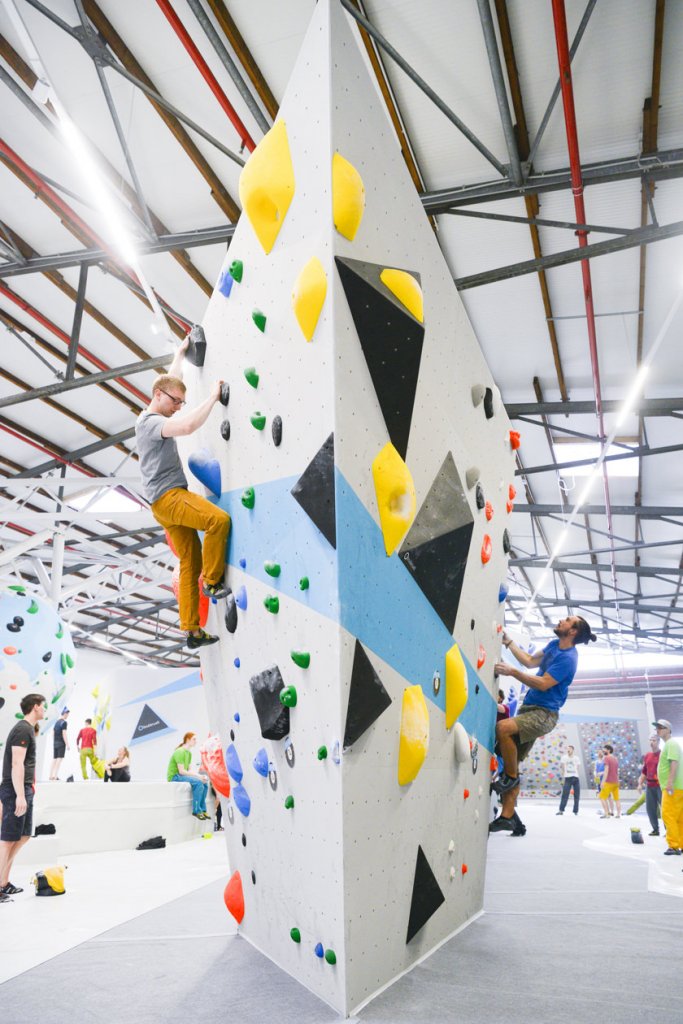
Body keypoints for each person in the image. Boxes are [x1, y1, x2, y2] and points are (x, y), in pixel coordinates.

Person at [135, 339, 231, 651]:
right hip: (169, 498)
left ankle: (191, 630)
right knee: (218, 521)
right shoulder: (151, 422)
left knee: (190, 559)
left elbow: (169, 382)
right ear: (158, 397)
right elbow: (188, 426)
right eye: (175, 401)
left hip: (161, 503)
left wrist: (178, 356)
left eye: (181, 402)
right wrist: (214, 398)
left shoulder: (157, 402)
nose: (178, 406)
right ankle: (214, 583)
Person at [490, 615, 596, 834]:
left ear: (573, 631)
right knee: (511, 760)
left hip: (544, 714)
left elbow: (543, 683)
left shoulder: (568, 659)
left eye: (566, 620)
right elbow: (529, 661)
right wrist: (509, 643)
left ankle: (510, 779)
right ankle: (509, 818)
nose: (560, 620)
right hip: (529, 708)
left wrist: (512, 672)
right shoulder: (553, 645)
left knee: (503, 730)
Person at [0, 692, 46, 901]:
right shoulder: (22, 729)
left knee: (24, 836)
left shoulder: (28, 730)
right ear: (35, 706)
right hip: (15, 790)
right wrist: (19, 795)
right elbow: (16, 764)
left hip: (25, 789)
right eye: (43, 706)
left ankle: (3, 882)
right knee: (8, 839)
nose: (44, 709)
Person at [653, 719, 683, 856]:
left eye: (660, 727)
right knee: (678, 817)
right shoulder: (671, 744)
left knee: (668, 815)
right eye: (657, 727)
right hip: (678, 787)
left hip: (672, 787)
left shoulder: (671, 744)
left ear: (668, 730)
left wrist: (669, 782)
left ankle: (673, 845)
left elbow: (674, 763)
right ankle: (680, 843)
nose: (657, 729)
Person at [167, 732, 210, 819]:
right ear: (187, 740)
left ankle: (202, 809)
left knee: (204, 783)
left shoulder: (188, 753)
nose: (196, 741)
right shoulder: (179, 752)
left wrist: (200, 777)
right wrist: (198, 777)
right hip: (175, 776)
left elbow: (189, 770)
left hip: (181, 775)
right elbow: (182, 771)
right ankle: (196, 811)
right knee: (198, 783)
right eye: (194, 739)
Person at [636, 734, 662, 836]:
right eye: (650, 740)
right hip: (649, 786)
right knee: (650, 809)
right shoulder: (647, 756)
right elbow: (644, 772)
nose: (652, 742)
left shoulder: (662, 754)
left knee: (664, 809)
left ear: (658, 742)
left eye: (654, 740)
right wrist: (640, 784)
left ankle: (669, 831)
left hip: (660, 786)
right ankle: (655, 829)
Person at [557, 744, 581, 815]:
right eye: (567, 748)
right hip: (568, 778)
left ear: (572, 750)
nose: (568, 750)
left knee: (577, 795)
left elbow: (578, 766)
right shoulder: (564, 757)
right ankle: (561, 810)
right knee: (565, 794)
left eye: (569, 748)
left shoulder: (576, 758)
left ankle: (575, 811)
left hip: (576, 777)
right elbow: (562, 766)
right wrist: (565, 774)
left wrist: (575, 772)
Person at [599, 744, 621, 818]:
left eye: (604, 749)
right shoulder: (615, 759)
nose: (603, 750)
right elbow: (616, 771)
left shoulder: (606, 758)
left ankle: (606, 814)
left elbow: (606, 770)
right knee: (616, 799)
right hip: (616, 782)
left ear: (608, 750)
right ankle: (618, 814)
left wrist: (602, 782)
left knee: (602, 797)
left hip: (608, 782)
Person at [49, 707, 70, 781]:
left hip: (55, 743)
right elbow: (64, 734)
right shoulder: (64, 722)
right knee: (59, 759)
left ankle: (51, 775)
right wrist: (67, 744)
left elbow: (53, 733)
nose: (68, 716)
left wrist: (55, 741)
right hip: (61, 743)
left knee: (54, 759)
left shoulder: (57, 722)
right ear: (65, 713)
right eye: (67, 714)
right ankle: (55, 776)